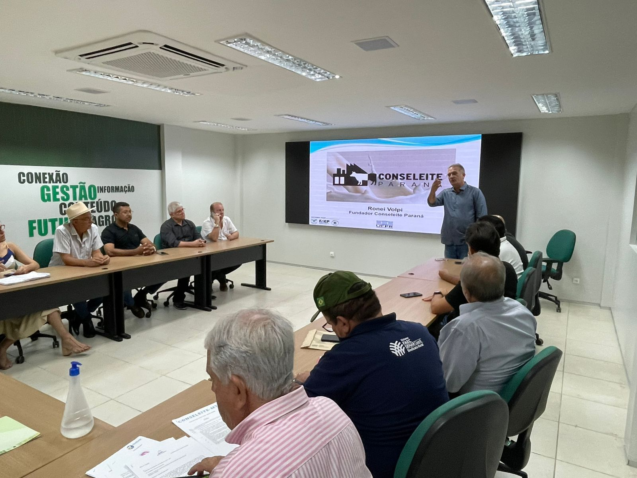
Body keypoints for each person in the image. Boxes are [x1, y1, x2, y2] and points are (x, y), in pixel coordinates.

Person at [295, 272, 449, 478]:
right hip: (439, 456)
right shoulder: (420, 332)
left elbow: (300, 408)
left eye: (331, 325)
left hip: (384, 469)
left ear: (343, 323)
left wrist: (302, 381)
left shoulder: (345, 357)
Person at [187, 309, 371, 478]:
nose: (213, 389)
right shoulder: (330, 409)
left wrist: (232, 470)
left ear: (239, 390)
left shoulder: (234, 473)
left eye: (213, 379)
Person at [438, 252, 537, 394]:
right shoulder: (523, 311)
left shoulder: (465, 328)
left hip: (476, 403)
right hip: (511, 396)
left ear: (466, 293)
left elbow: (449, 384)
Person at [0, 221, 90, 369]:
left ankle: (66, 340)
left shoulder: (10, 246)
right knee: (46, 307)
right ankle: (3, 348)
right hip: (3, 302)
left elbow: (35, 264)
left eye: (2, 228)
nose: (2, 232)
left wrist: (25, 268)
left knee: (49, 306)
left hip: (17, 294)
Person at [431, 221, 518, 323]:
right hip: (501, 323)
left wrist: (438, 292)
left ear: (471, 250)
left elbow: (436, 307)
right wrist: (447, 277)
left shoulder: (473, 278)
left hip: (468, 325)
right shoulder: (507, 269)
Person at [50, 202, 109, 338]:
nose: (91, 221)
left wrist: (101, 259)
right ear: (75, 221)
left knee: (105, 287)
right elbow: (66, 259)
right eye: (86, 219)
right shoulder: (62, 231)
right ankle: (87, 320)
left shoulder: (93, 228)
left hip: (83, 270)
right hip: (62, 272)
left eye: (90, 217)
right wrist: (88, 263)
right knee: (77, 291)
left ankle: (79, 315)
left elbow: (96, 252)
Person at [101, 202, 164, 318]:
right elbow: (110, 251)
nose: (129, 214)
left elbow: (150, 243)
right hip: (120, 267)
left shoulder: (134, 228)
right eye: (125, 212)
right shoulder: (109, 231)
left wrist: (152, 249)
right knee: (123, 281)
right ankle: (131, 304)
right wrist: (135, 252)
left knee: (163, 272)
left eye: (130, 212)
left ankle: (142, 295)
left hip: (138, 263)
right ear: (116, 215)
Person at [428, 163, 488, 259]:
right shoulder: (446, 193)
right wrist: (433, 190)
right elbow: (432, 203)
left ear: (463, 175)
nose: (451, 176)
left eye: (454, 173)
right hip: (450, 241)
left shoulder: (475, 192)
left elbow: (482, 218)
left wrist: (475, 239)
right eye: (449, 175)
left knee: (466, 267)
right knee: (450, 267)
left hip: (467, 242)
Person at [160, 201, 206, 310]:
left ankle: (203, 295)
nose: (182, 212)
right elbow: (174, 243)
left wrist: (200, 242)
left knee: (204, 263)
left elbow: (198, 237)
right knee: (187, 268)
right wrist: (193, 244)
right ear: (171, 214)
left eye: (182, 210)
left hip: (189, 254)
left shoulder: (189, 223)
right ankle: (178, 298)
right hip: (172, 257)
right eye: (179, 211)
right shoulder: (166, 226)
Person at [201, 202, 240, 291]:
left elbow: (236, 233)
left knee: (238, 260)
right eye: (218, 210)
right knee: (218, 263)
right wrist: (217, 223)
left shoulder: (227, 219)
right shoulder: (207, 223)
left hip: (225, 249)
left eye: (222, 210)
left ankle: (219, 275)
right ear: (212, 212)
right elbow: (214, 238)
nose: (221, 212)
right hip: (211, 253)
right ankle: (219, 278)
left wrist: (231, 237)